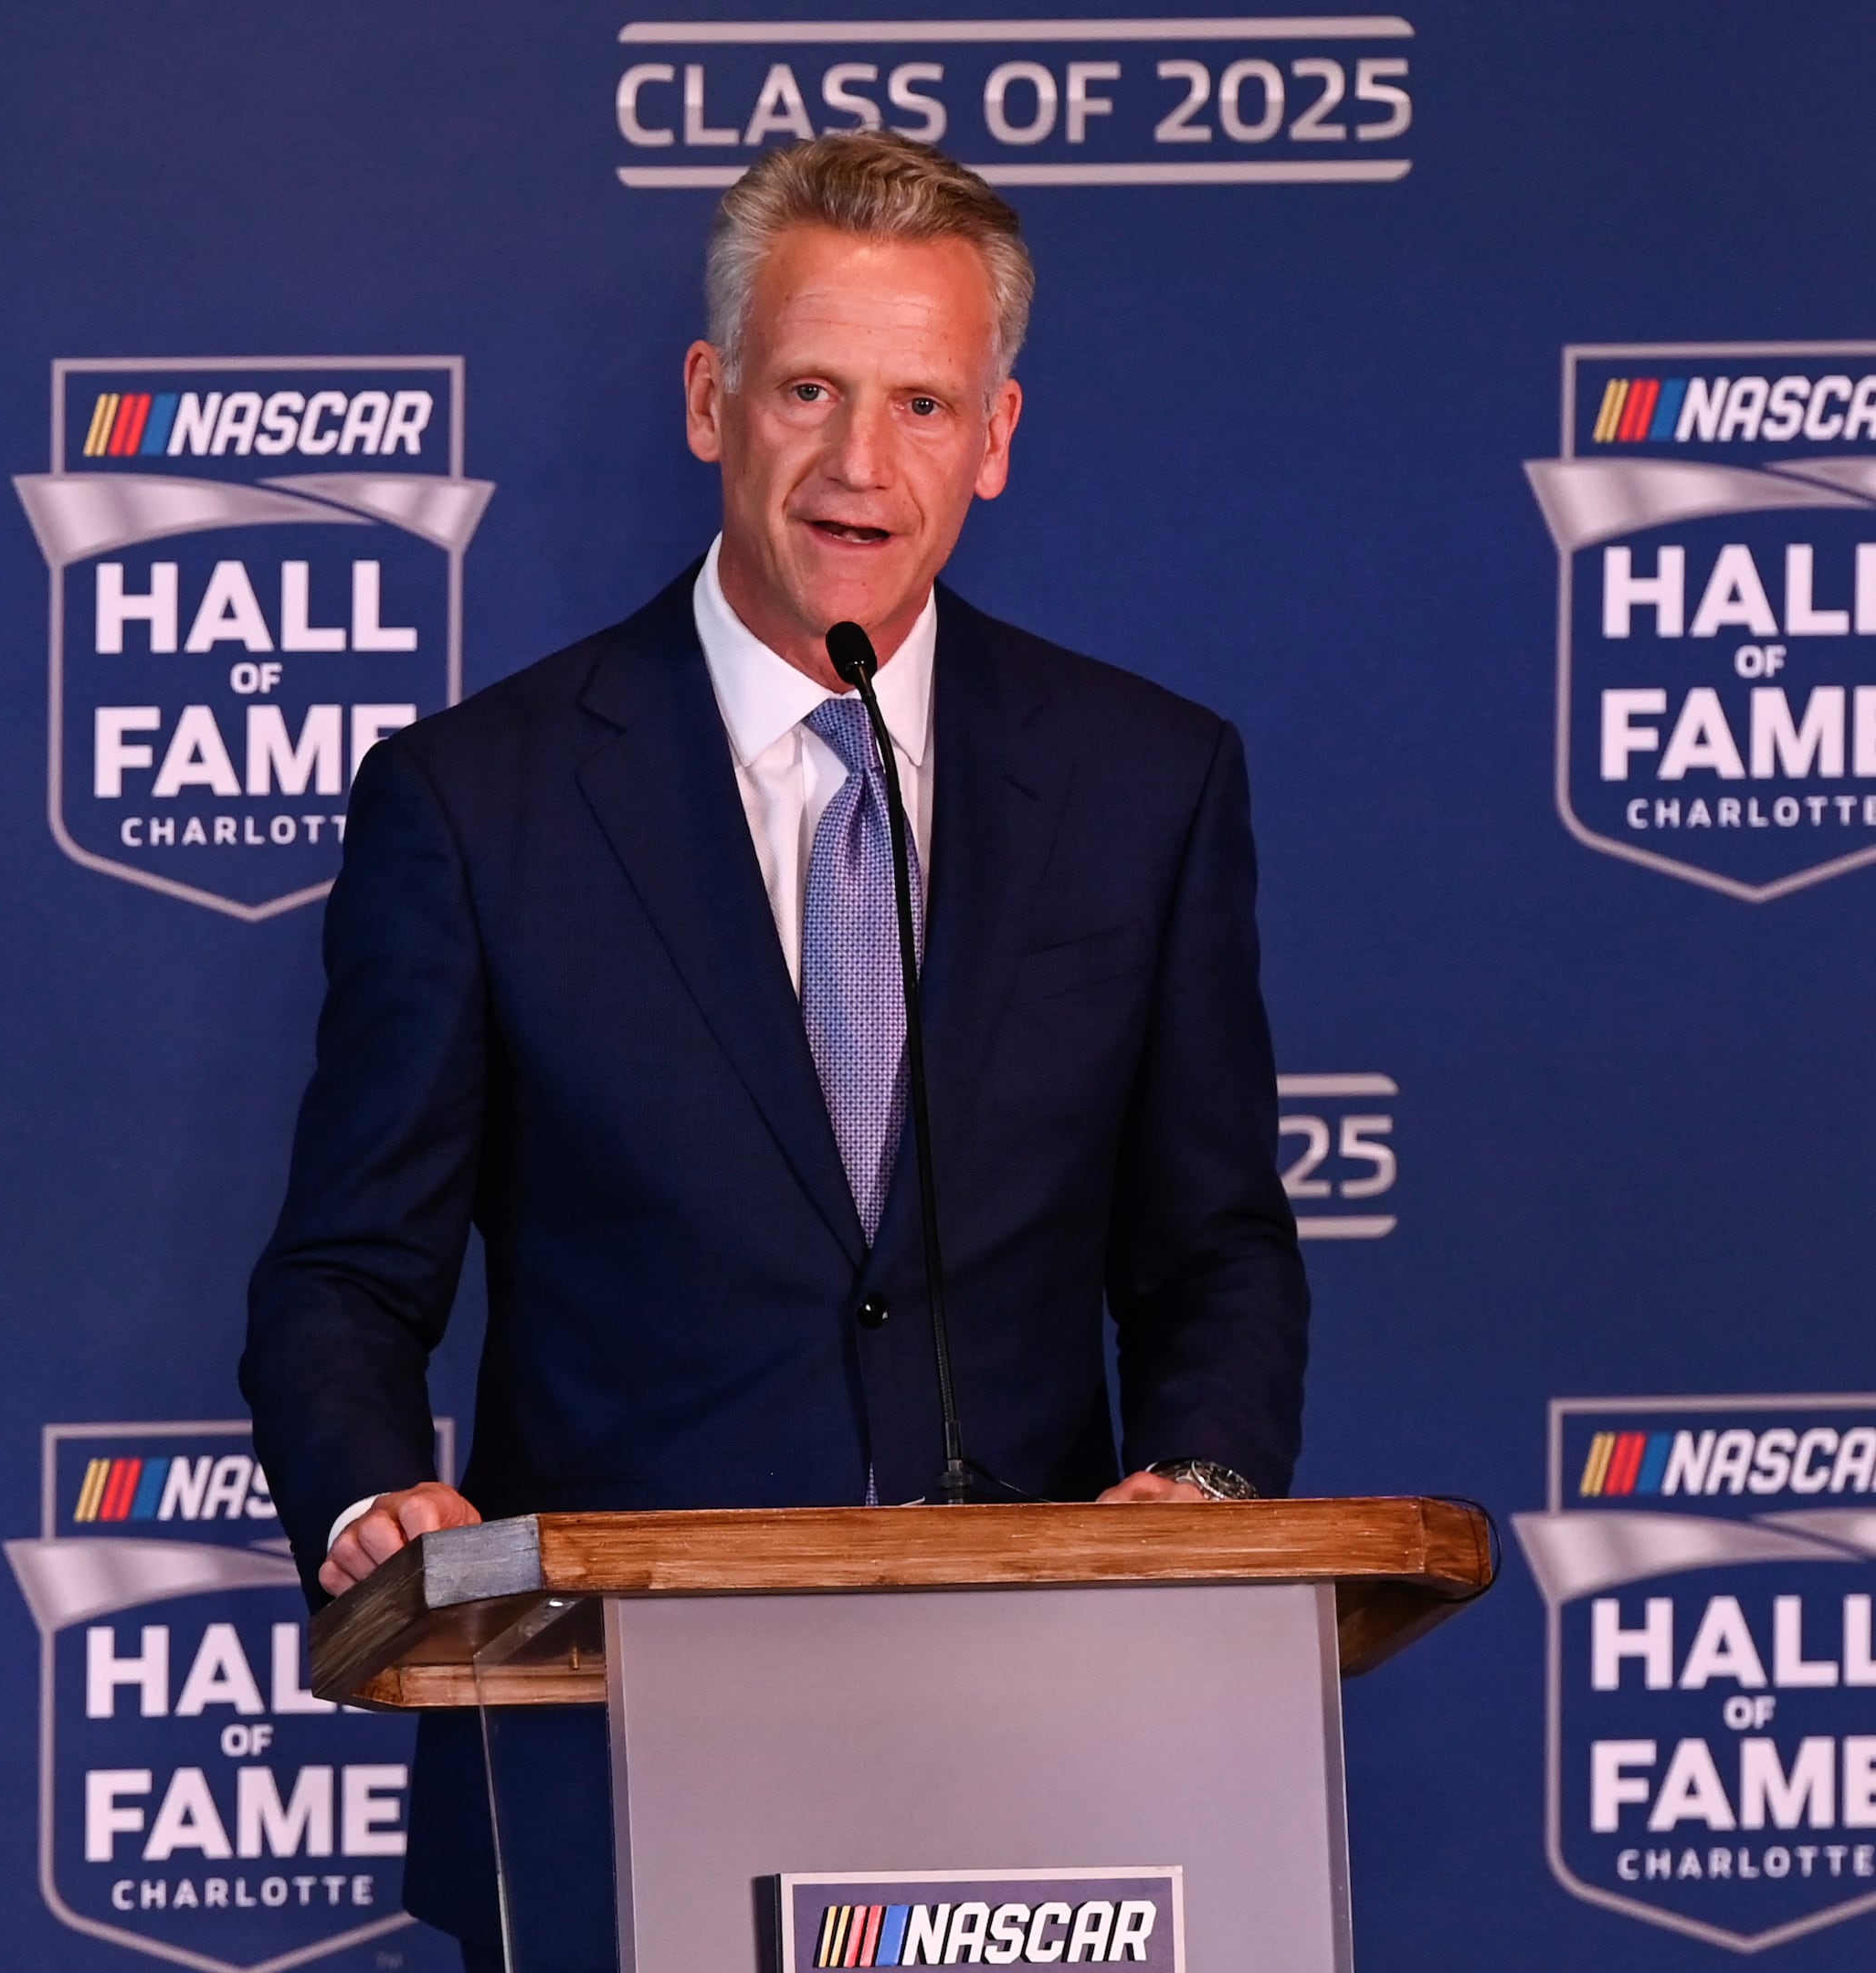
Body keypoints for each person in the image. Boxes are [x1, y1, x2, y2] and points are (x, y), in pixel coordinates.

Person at [239, 131, 1309, 1971]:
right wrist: (370, 1502)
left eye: (921, 402)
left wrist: (1195, 1496)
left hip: (1046, 1743)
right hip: (606, 1737)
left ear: (997, 437)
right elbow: (344, 1274)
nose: (859, 466)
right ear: (709, 399)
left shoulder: (1148, 782)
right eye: (809, 389)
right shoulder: (478, 802)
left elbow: (1215, 1249)